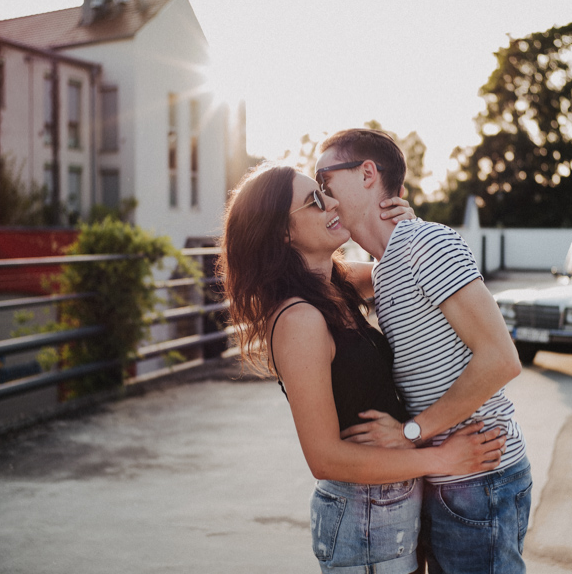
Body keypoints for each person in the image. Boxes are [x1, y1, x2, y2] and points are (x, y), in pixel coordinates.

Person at [217, 162, 508, 574]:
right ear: (283, 232)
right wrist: (442, 459)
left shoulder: (335, 283)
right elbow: (324, 459)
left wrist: (406, 231)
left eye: (326, 192)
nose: (332, 202)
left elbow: (402, 269)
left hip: (391, 511)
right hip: (363, 520)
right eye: (315, 200)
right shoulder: (299, 320)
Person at [315, 129, 531, 574]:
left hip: (480, 478)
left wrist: (410, 433)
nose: (321, 196)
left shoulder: (425, 245)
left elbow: (501, 359)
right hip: (444, 482)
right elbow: (313, 266)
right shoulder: (387, 266)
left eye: (324, 180)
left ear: (368, 173)